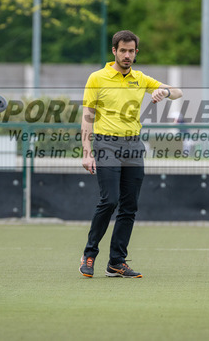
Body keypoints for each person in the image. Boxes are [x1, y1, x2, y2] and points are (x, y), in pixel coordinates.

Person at [78, 30, 182, 278]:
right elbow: (87, 117)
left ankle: (116, 261)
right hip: (106, 145)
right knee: (109, 201)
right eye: (122, 50)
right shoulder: (97, 78)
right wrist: (86, 152)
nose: (127, 55)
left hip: (133, 146)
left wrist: (164, 92)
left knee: (129, 206)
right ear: (114, 51)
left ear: (136, 52)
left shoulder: (140, 78)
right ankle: (89, 254)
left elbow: (178, 91)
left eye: (131, 51)